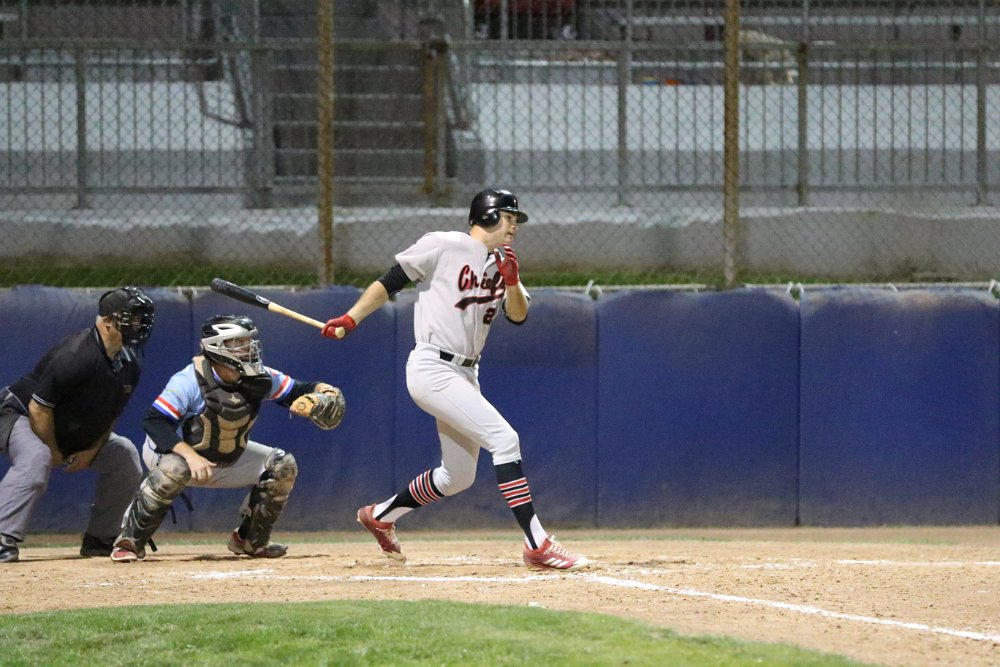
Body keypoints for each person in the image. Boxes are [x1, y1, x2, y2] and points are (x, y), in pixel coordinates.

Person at [321, 188, 589, 571]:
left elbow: (518, 315)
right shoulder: (444, 244)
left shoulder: (501, 263)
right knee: (505, 440)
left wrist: (512, 281)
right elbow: (390, 281)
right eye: (508, 217)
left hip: (465, 372)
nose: (514, 226)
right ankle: (537, 544)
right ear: (488, 215)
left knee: (458, 476)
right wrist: (352, 318)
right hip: (432, 366)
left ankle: (381, 515)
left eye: (516, 220)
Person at [110, 314, 345, 563]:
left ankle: (251, 540)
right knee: (174, 468)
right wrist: (190, 456)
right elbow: (154, 422)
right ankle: (130, 540)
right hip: (173, 453)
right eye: (239, 342)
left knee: (282, 465)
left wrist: (323, 391)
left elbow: (298, 389)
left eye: (248, 341)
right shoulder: (189, 380)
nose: (248, 347)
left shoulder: (258, 376)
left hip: (223, 455)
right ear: (217, 347)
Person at [0, 286, 155, 563]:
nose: (137, 324)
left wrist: (91, 449)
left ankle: (100, 538)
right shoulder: (77, 354)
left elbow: (112, 414)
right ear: (107, 321)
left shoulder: (130, 360)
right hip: (20, 413)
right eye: (130, 318)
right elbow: (39, 407)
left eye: (139, 318)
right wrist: (54, 450)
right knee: (37, 457)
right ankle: (2, 535)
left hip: (65, 427)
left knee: (125, 457)